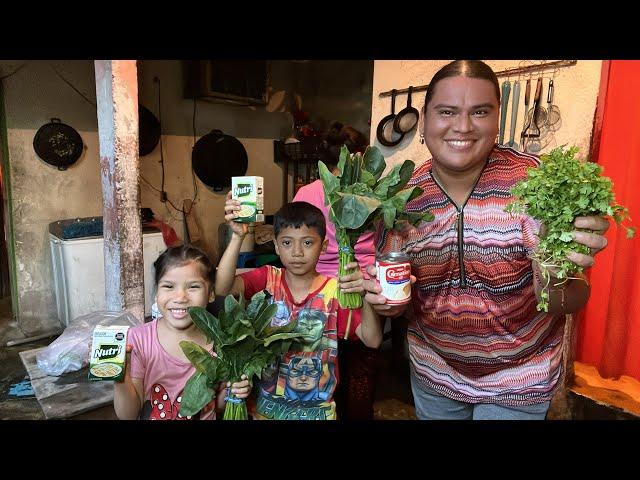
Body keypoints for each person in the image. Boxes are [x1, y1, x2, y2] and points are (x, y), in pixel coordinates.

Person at [362, 60, 610, 420]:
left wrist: (557, 277)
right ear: (426, 120)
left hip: (520, 378)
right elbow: (397, 299)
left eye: (480, 112)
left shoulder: (536, 186)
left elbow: (571, 299)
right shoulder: (400, 198)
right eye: (447, 111)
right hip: (435, 373)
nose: (462, 126)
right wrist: (384, 304)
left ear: (497, 119)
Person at [216, 200, 383, 420]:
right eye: (287, 243)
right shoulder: (266, 279)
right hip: (264, 412)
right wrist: (237, 236)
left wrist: (366, 294)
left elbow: (373, 340)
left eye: (307, 243)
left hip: (318, 414)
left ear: (323, 246)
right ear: (276, 245)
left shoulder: (335, 292)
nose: (296, 252)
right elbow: (222, 287)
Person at [293, 122, 384, 420]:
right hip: (363, 288)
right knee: (360, 371)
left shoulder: (307, 191)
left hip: (319, 294)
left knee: (322, 367)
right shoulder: (372, 193)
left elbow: (297, 243)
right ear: (358, 158)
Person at [113, 244, 251, 420]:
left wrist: (235, 392)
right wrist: (120, 378)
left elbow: (217, 406)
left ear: (210, 294)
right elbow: (128, 416)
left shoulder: (223, 341)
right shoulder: (139, 340)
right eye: (169, 286)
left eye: (193, 287)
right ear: (156, 292)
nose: (180, 298)